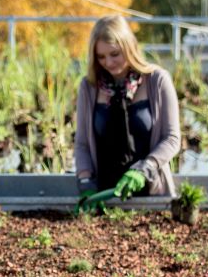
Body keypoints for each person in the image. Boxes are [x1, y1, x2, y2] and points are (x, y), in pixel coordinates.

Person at [73, 15, 182, 205]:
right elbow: (82, 143)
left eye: (114, 54)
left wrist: (145, 168)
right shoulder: (89, 87)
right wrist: (85, 182)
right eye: (101, 57)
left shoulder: (157, 81)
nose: (108, 62)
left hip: (150, 191)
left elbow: (172, 138)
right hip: (104, 194)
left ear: (129, 47)